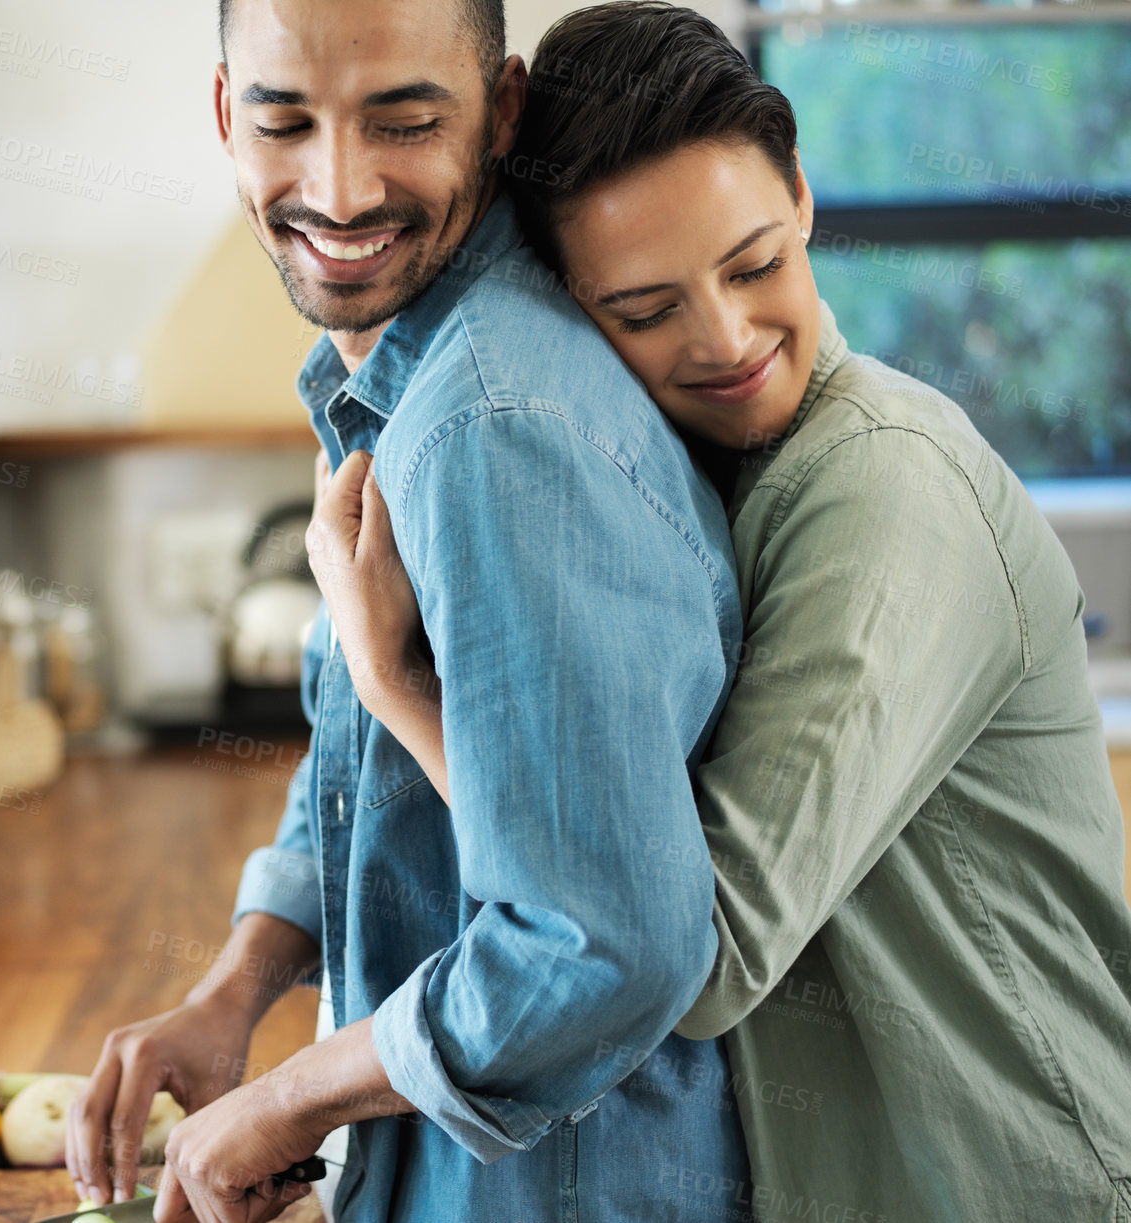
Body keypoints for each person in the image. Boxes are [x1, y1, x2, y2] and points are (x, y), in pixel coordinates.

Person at [306, 4, 1131, 1221]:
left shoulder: (884, 483)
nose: (727, 338)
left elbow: (699, 948)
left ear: (800, 193)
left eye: (754, 265)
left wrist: (399, 687)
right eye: (643, 311)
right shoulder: (676, 477)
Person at [64, 0, 757, 1220]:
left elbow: (605, 940)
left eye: (404, 120)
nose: (337, 189)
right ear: (228, 117)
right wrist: (237, 986)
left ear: (502, 113)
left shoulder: (493, 427)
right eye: (285, 121)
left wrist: (287, 1100)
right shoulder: (401, 368)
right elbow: (367, 724)